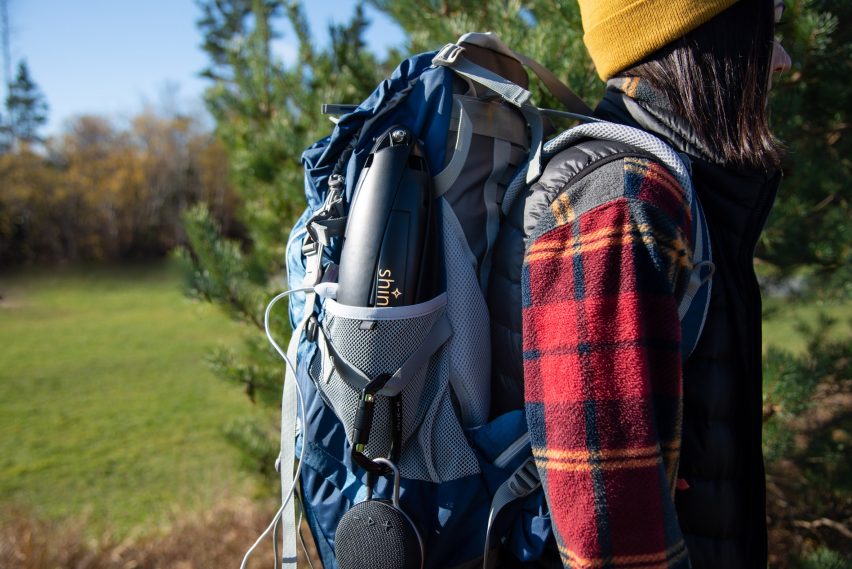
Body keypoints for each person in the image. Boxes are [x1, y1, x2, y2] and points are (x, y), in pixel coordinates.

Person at [490, 0, 791, 567]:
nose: (782, 60)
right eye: (767, 29)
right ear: (709, 43)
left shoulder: (669, 189)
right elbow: (611, 546)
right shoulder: (622, 204)